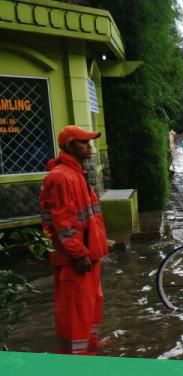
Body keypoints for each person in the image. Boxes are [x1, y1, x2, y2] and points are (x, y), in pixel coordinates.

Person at [39, 125, 109, 355]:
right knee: (75, 312)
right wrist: (79, 254)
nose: (89, 147)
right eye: (83, 142)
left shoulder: (76, 174)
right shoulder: (61, 178)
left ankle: (88, 350)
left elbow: (85, 219)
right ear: (69, 146)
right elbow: (63, 224)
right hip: (76, 260)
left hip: (89, 255)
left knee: (89, 306)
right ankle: (74, 361)